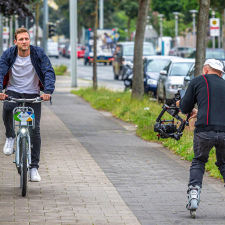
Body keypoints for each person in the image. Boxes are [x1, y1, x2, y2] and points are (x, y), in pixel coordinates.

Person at [0, 28, 56, 182]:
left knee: (34, 130)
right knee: (7, 109)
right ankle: (10, 136)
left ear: (29, 40)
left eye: (26, 39)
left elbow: (48, 71)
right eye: (21, 39)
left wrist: (48, 91)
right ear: (15, 41)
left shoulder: (38, 53)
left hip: (33, 93)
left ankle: (33, 168)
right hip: (13, 91)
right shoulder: (9, 54)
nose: (24, 42)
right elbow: (0, 70)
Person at [177, 58, 225, 214]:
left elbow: (185, 107)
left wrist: (182, 104)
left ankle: (193, 196)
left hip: (204, 130)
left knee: (199, 161)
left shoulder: (198, 81)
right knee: (223, 164)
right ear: (220, 73)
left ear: (205, 69)